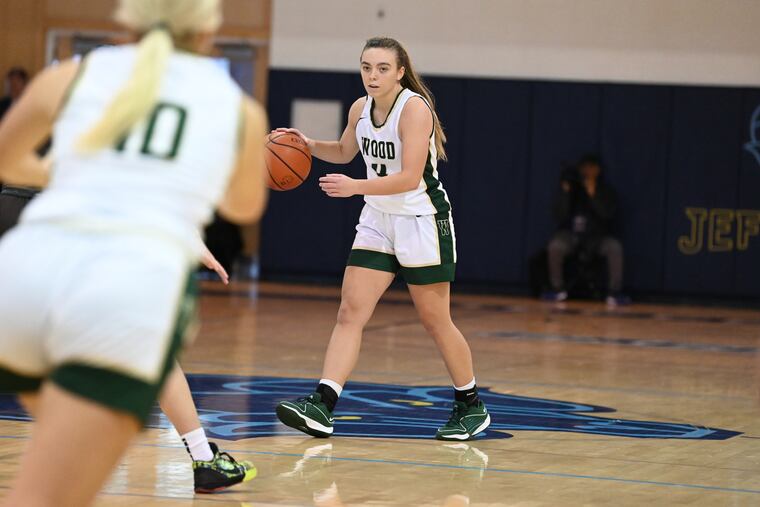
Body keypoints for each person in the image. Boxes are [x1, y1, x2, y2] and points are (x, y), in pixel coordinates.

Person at [0, 0, 267, 504]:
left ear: (125, 21)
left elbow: (8, 160)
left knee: (48, 468)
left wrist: (83, 177)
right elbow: (242, 204)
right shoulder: (236, 109)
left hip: (22, 278)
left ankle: (202, 457)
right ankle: (203, 459)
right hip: (123, 287)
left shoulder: (72, 75)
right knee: (53, 491)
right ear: (210, 30)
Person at [274, 36, 490, 441]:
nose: (372, 76)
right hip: (378, 217)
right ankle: (322, 403)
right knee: (350, 312)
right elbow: (342, 151)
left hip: (420, 219)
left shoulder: (414, 109)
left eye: (382, 69)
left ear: (400, 72)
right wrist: (304, 144)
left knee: (435, 320)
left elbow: (410, 177)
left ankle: (471, 404)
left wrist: (356, 187)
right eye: (366, 67)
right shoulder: (360, 108)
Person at [541, 155, 629, 306]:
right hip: (572, 235)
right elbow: (559, 215)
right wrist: (565, 192)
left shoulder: (606, 191)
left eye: (590, 168)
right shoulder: (572, 190)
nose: (587, 171)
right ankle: (558, 289)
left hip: (597, 236)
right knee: (556, 246)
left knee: (614, 247)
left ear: (598, 170)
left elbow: (607, 214)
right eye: (584, 168)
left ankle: (614, 292)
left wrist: (593, 193)